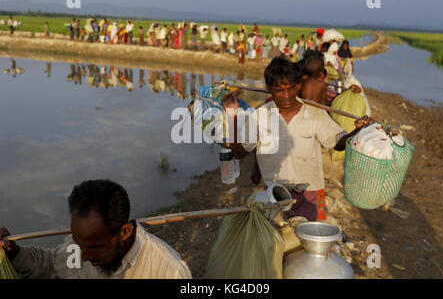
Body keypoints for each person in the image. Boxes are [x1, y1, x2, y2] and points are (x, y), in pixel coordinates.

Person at [222, 57, 374, 221]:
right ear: (268, 88)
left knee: (309, 241)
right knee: (276, 242)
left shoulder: (315, 113)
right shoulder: (259, 116)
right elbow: (239, 153)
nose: (287, 96)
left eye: (291, 88)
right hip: (274, 194)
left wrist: (357, 132)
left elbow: (338, 142)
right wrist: (232, 117)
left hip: (311, 194)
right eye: (279, 90)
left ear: (298, 85)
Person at [0, 180, 192, 279]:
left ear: (124, 232)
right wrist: (13, 252)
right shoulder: (83, 248)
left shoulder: (169, 271)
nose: (83, 257)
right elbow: (50, 266)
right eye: (78, 243)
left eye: (96, 247)